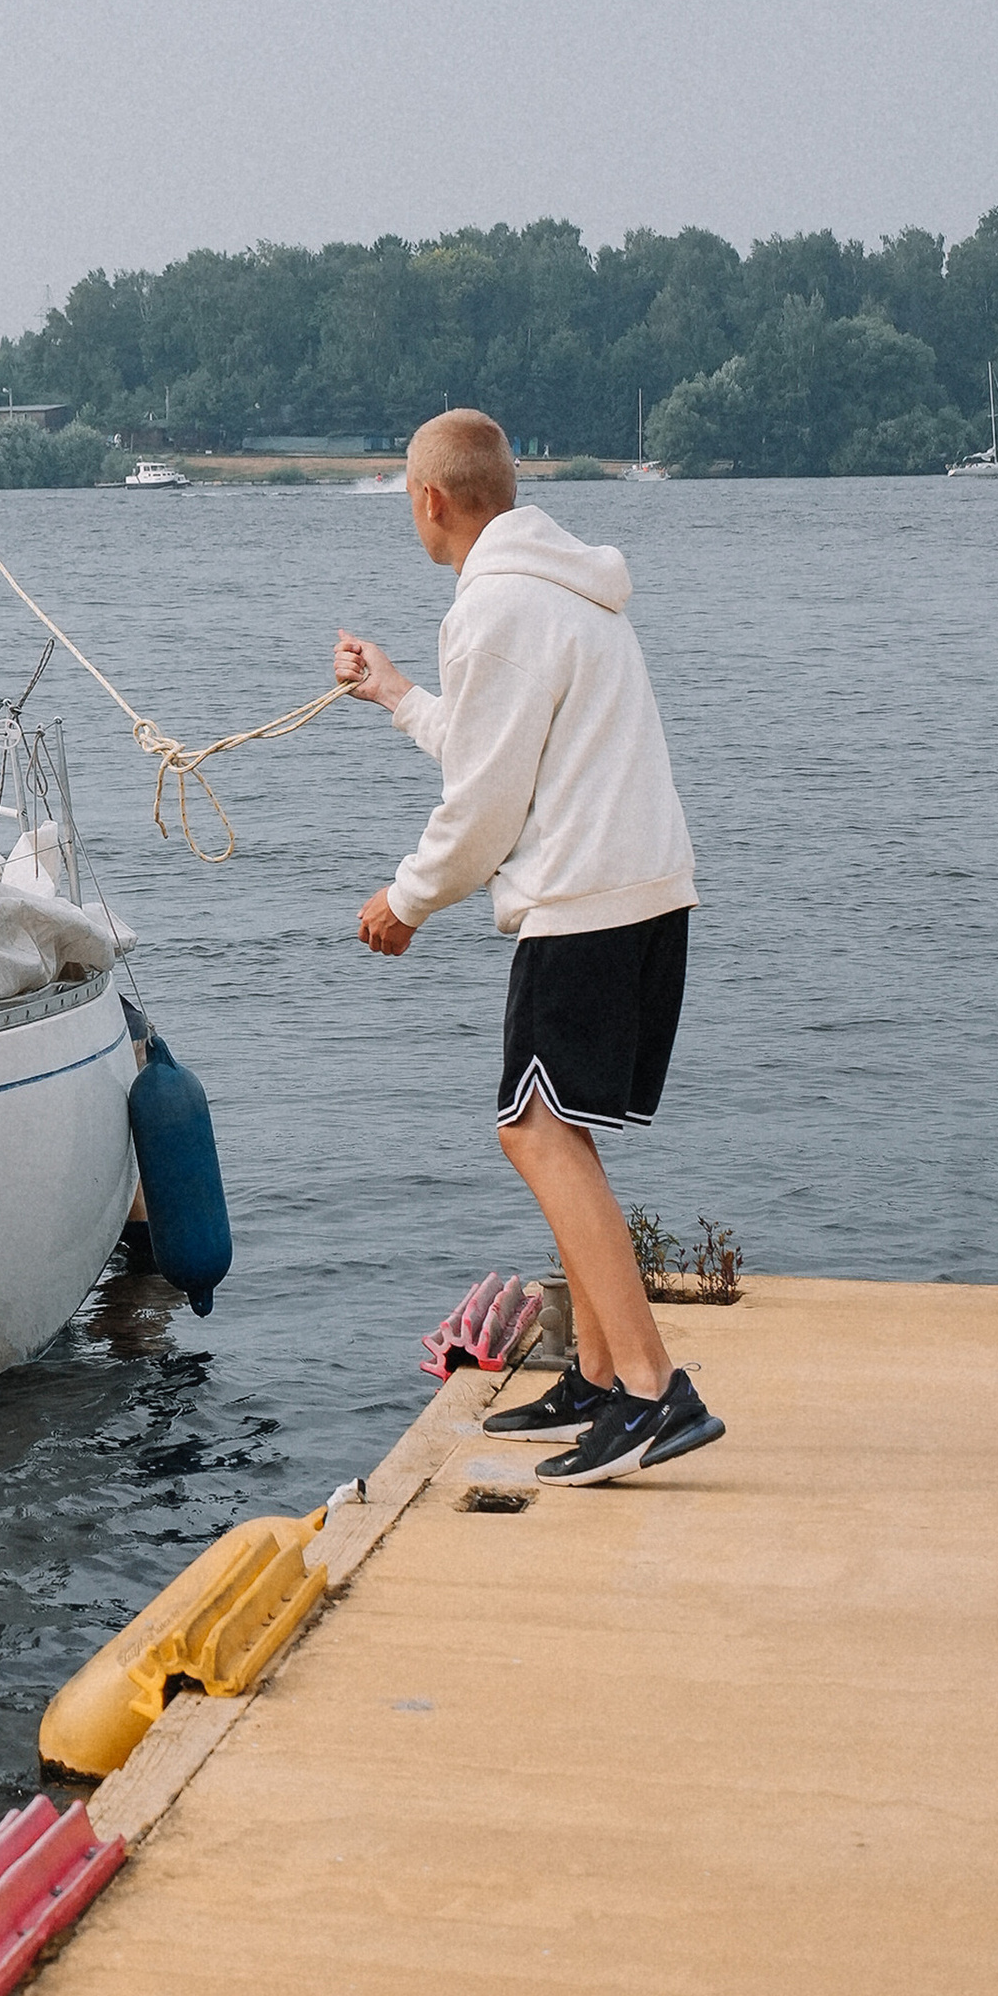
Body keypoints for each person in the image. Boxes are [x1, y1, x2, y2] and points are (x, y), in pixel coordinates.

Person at [335, 407, 724, 1485]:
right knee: (558, 1130)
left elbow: (486, 804)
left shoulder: (496, 605)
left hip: (583, 899)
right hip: (639, 890)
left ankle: (652, 1391)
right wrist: (398, 695)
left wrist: (406, 901)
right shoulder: (557, 586)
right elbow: (498, 743)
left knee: (535, 1133)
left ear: (428, 501)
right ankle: (598, 1379)